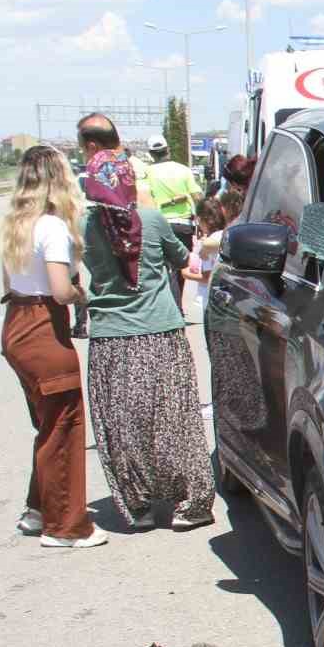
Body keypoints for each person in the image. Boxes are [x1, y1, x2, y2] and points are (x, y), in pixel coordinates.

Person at [77, 114, 216, 531]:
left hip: (111, 338)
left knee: (122, 424)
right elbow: (187, 266)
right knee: (174, 419)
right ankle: (189, 504)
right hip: (161, 333)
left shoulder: (85, 226)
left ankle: (136, 507)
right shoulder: (152, 221)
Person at [0, 146, 107, 549]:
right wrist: (82, 294)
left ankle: (39, 509)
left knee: (47, 424)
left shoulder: (15, 225)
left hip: (18, 328)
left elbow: (9, 286)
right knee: (64, 426)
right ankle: (65, 527)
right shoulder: (52, 228)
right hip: (46, 329)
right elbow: (60, 291)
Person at [143, 133, 203, 309]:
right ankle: (178, 306)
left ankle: (165, 304)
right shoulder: (183, 170)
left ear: (151, 154)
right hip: (183, 225)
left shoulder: (147, 173)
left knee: (159, 267)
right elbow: (197, 196)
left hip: (156, 225)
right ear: (167, 150)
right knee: (181, 267)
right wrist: (202, 221)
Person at [180, 197, 226, 322]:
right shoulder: (225, 235)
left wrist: (185, 274)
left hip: (210, 299)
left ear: (200, 219)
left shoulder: (207, 244)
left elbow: (207, 277)